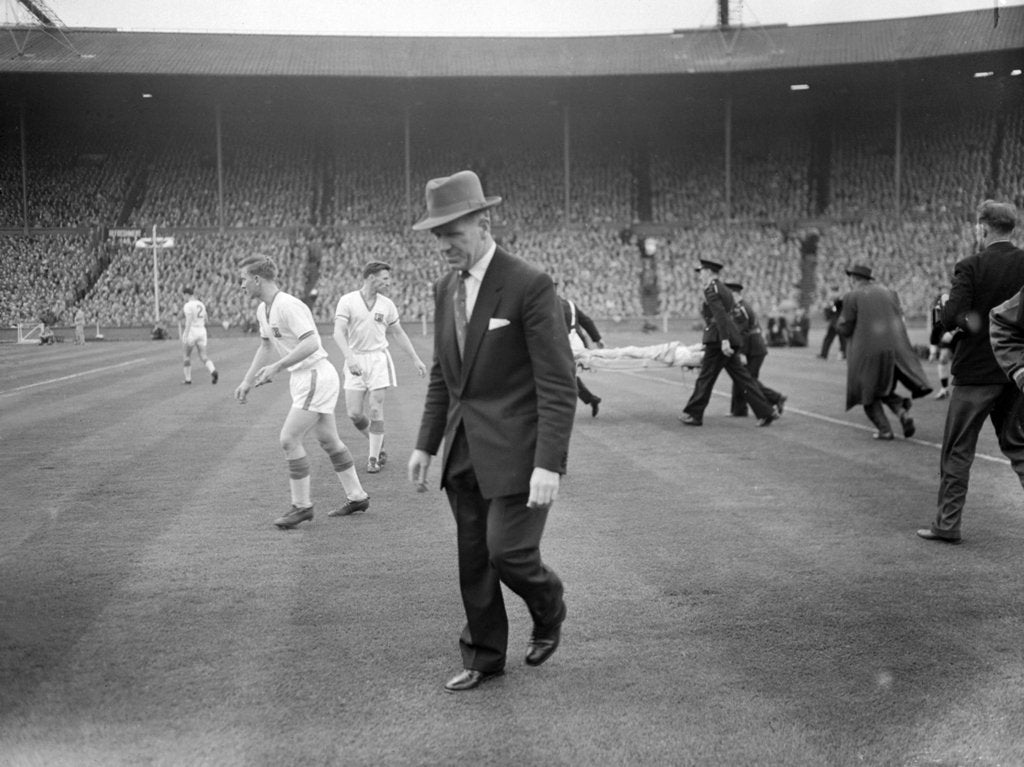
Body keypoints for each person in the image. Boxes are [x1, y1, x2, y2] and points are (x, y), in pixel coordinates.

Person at [406, 170, 577, 693]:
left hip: (519, 454)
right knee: (474, 559)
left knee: (509, 553)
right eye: (437, 235)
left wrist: (549, 462)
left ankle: (549, 607)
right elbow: (444, 374)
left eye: (452, 232)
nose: (444, 245)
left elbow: (557, 382)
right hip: (462, 451)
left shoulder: (528, 283)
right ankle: (484, 655)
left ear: (483, 222)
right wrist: (424, 443)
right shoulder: (443, 290)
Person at [234, 254, 370, 530]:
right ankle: (357, 497)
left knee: (289, 438)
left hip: (315, 374)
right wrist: (247, 381)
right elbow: (265, 346)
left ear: (257, 279)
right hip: (305, 377)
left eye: (243, 279)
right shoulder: (264, 310)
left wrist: (278, 367)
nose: (241, 285)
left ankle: (302, 506)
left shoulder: (288, 305)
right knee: (329, 440)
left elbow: (312, 343)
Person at [918, 200, 1024, 544]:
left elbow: (951, 318)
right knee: (1020, 449)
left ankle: (947, 524)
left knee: (958, 450)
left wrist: (962, 319)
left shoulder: (970, 265)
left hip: (975, 372)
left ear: (982, 228)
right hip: (1015, 370)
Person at [333, 261, 427, 473]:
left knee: (376, 407)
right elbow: (338, 332)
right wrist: (349, 358)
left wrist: (415, 358)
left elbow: (399, 333)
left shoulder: (387, 305)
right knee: (355, 413)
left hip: (378, 359)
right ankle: (378, 440)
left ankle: (373, 457)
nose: (389, 282)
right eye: (385, 279)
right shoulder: (347, 301)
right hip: (355, 358)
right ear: (371, 277)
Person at [836, 264, 932, 440]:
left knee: (867, 395)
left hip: (867, 352)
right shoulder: (888, 292)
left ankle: (885, 430)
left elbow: (845, 327)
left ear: (854, 278)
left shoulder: (852, 296)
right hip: (894, 350)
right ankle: (902, 411)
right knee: (882, 388)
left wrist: (838, 317)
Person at [679, 260, 778, 427]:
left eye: (701, 271)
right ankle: (766, 412)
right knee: (742, 378)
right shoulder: (723, 288)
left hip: (719, 339)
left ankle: (694, 414)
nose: (700, 274)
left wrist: (724, 340)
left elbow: (720, 316)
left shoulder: (712, 289)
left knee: (706, 377)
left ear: (709, 272)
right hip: (728, 337)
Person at [724, 282, 787, 419]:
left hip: (753, 349)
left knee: (748, 380)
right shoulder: (739, 307)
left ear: (734, 294)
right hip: (753, 347)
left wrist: (740, 352)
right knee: (740, 378)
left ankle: (776, 398)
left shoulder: (740, 309)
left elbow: (742, 332)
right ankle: (739, 409)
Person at [561, 293, 603, 417]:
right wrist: (597, 338)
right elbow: (586, 320)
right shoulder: (569, 304)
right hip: (577, 344)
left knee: (564, 377)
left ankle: (566, 409)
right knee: (568, 377)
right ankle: (591, 399)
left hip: (563, 346)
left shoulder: (549, 306)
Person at [178, 287, 218, 385]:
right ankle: (213, 370)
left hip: (192, 331)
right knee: (203, 355)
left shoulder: (187, 305)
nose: (183, 297)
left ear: (187, 294)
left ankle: (188, 379)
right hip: (202, 331)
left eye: (183, 295)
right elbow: (207, 319)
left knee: (186, 355)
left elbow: (188, 320)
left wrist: (185, 335)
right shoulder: (201, 304)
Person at [928, 291, 955, 399]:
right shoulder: (939, 324)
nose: (938, 314)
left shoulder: (958, 312)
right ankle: (944, 389)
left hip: (963, 338)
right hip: (949, 340)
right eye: (937, 311)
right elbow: (934, 338)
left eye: (940, 311)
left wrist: (953, 332)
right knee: (943, 358)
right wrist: (933, 352)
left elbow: (967, 322)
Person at [818, 286, 846, 360]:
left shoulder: (838, 300)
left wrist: (830, 307)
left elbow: (835, 310)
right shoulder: (836, 300)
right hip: (837, 322)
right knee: (840, 340)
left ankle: (824, 354)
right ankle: (824, 354)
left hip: (836, 323)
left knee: (832, 339)